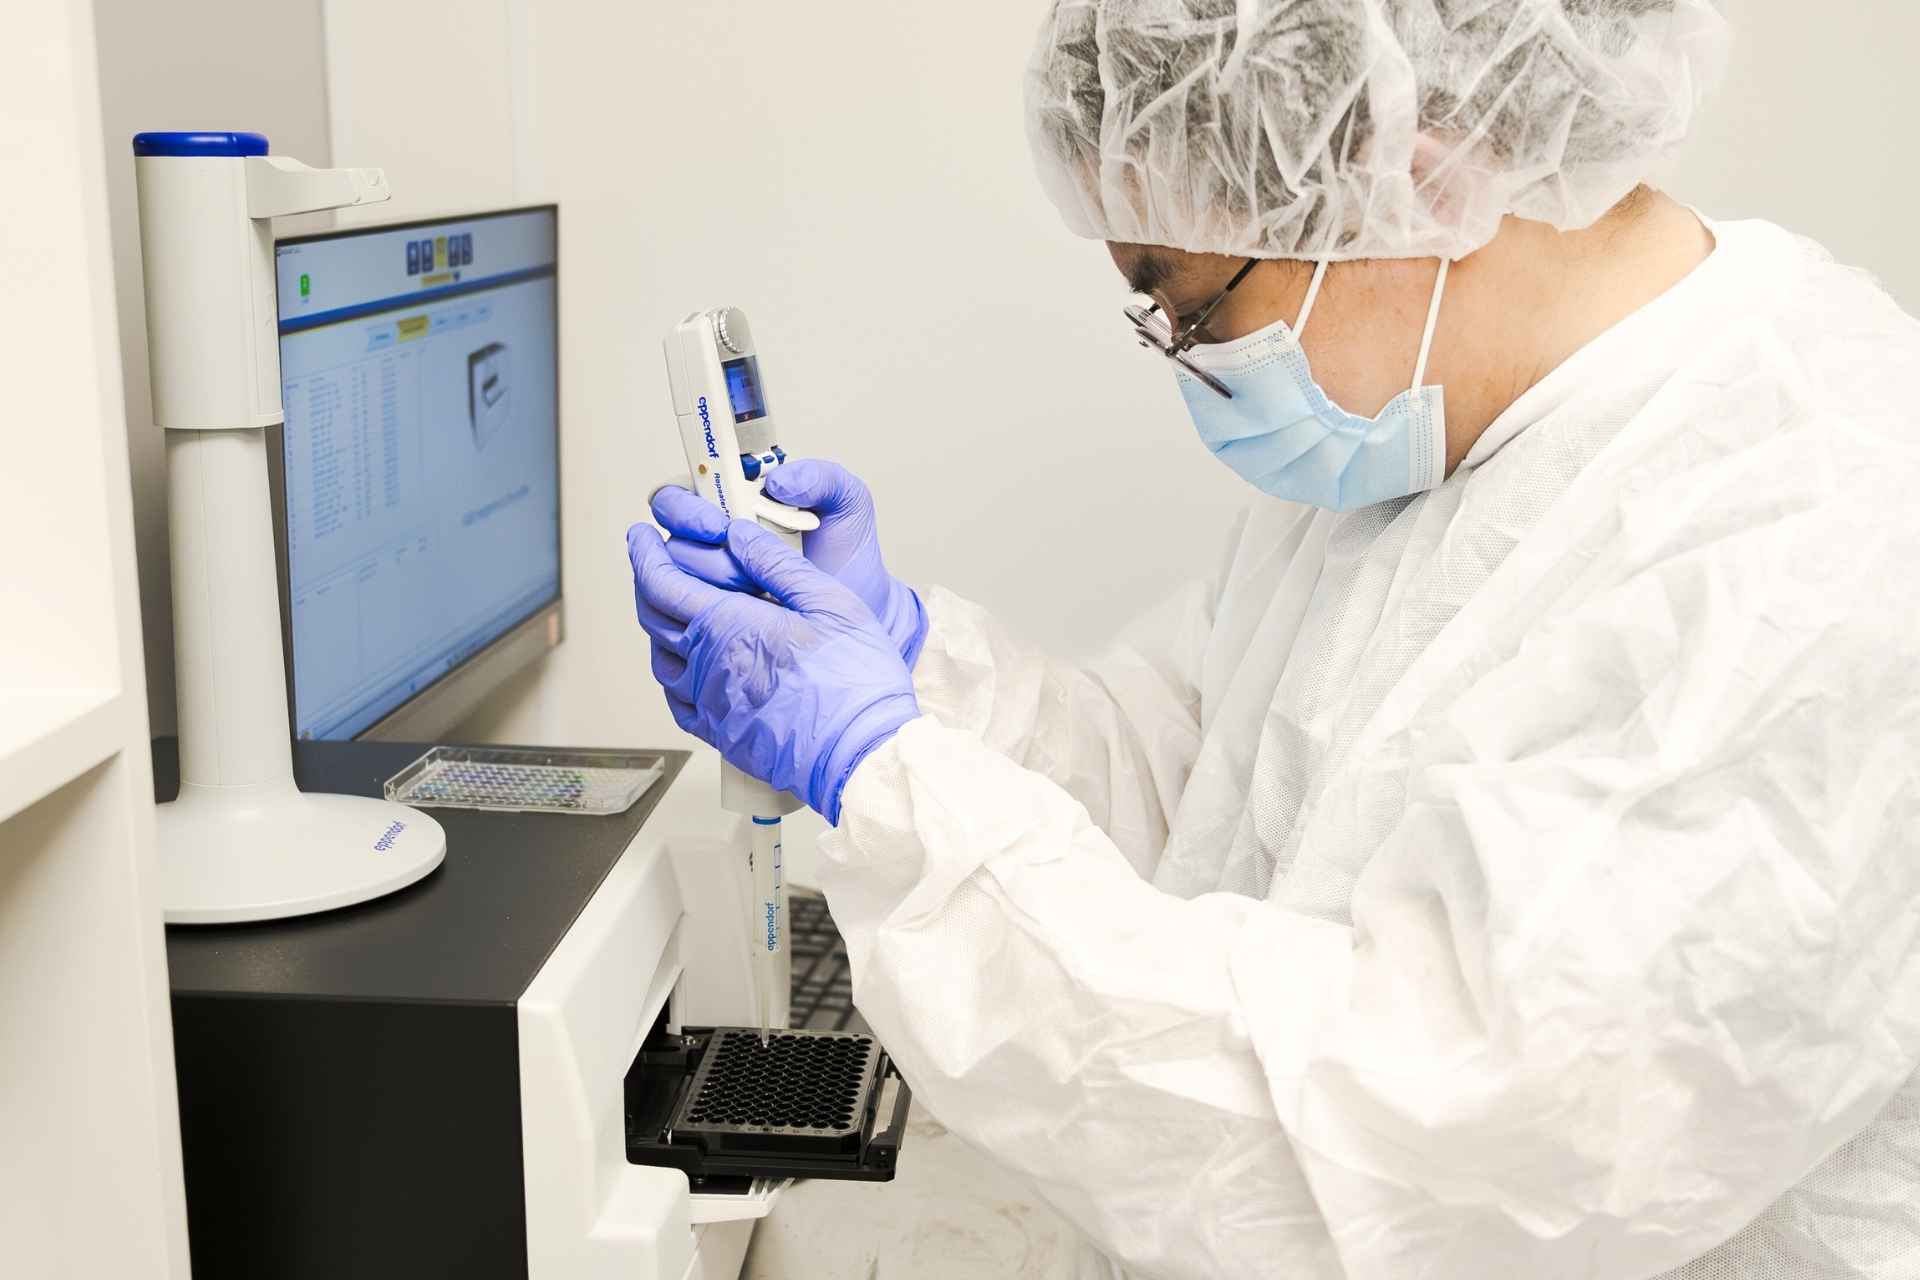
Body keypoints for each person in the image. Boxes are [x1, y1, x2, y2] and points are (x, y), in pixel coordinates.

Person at [628, 1, 1920, 1275]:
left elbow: (1417, 1153)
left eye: (1188, 305)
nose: (1188, 358)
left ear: (1414, 176)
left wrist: (886, 776)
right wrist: (907, 670)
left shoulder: (1806, 542)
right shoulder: (1441, 444)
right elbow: (1205, 803)